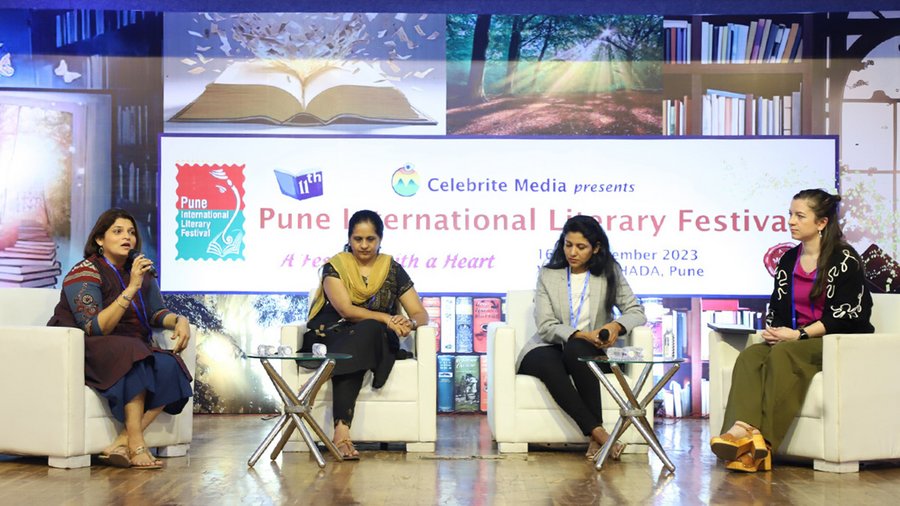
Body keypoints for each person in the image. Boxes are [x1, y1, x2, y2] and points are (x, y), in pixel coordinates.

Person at [711, 189, 874, 472]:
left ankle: (763, 445)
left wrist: (798, 335)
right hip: (794, 339)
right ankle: (742, 431)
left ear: (822, 222)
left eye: (800, 216)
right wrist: (775, 331)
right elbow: (777, 305)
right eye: (790, 214)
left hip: (836, 341)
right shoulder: (788, 260)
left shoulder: (845, 259)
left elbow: (847, 317)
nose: (791, 221)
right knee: (751, 356)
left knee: (785, 353)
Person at [48, 208, 193, 469]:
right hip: (84, 346)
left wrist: (179, 320)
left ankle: (122, 441)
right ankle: (137, 444)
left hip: (130, 347)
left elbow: (156, 313)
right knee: (133, 351)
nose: (127, 237)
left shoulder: (138, 271)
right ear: (100, 240)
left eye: (131, 232)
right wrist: (132, 287)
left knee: (170, 365)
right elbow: (94, 327)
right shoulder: (85, 272)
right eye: (117, 231)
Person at [516, 215, 647, 462]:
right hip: (548, 346)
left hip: (587, 350)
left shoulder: (610, 273)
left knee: (578, 349)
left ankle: (595, 438)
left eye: (581, 247)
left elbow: (636, 311)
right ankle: (600, 435)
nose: (572, 252)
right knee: (554, 356)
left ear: (596, 248)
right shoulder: (548, 275)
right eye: (568, 245)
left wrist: (616, 326)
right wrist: (580, 334)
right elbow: (545, 326)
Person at [304, 209, 428, 460]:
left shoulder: (392, 269)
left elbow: (420, 312)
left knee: (367, 335)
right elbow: (346, 310)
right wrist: (387, 318)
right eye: (358, 239)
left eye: (370, 239)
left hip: (375, 340)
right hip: (334, 335)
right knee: (363, 334)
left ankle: (324, 410)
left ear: (380, 239)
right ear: (349, 239)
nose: (363, 245)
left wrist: (409, 323)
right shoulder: (335, 267)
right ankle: (342, 432)